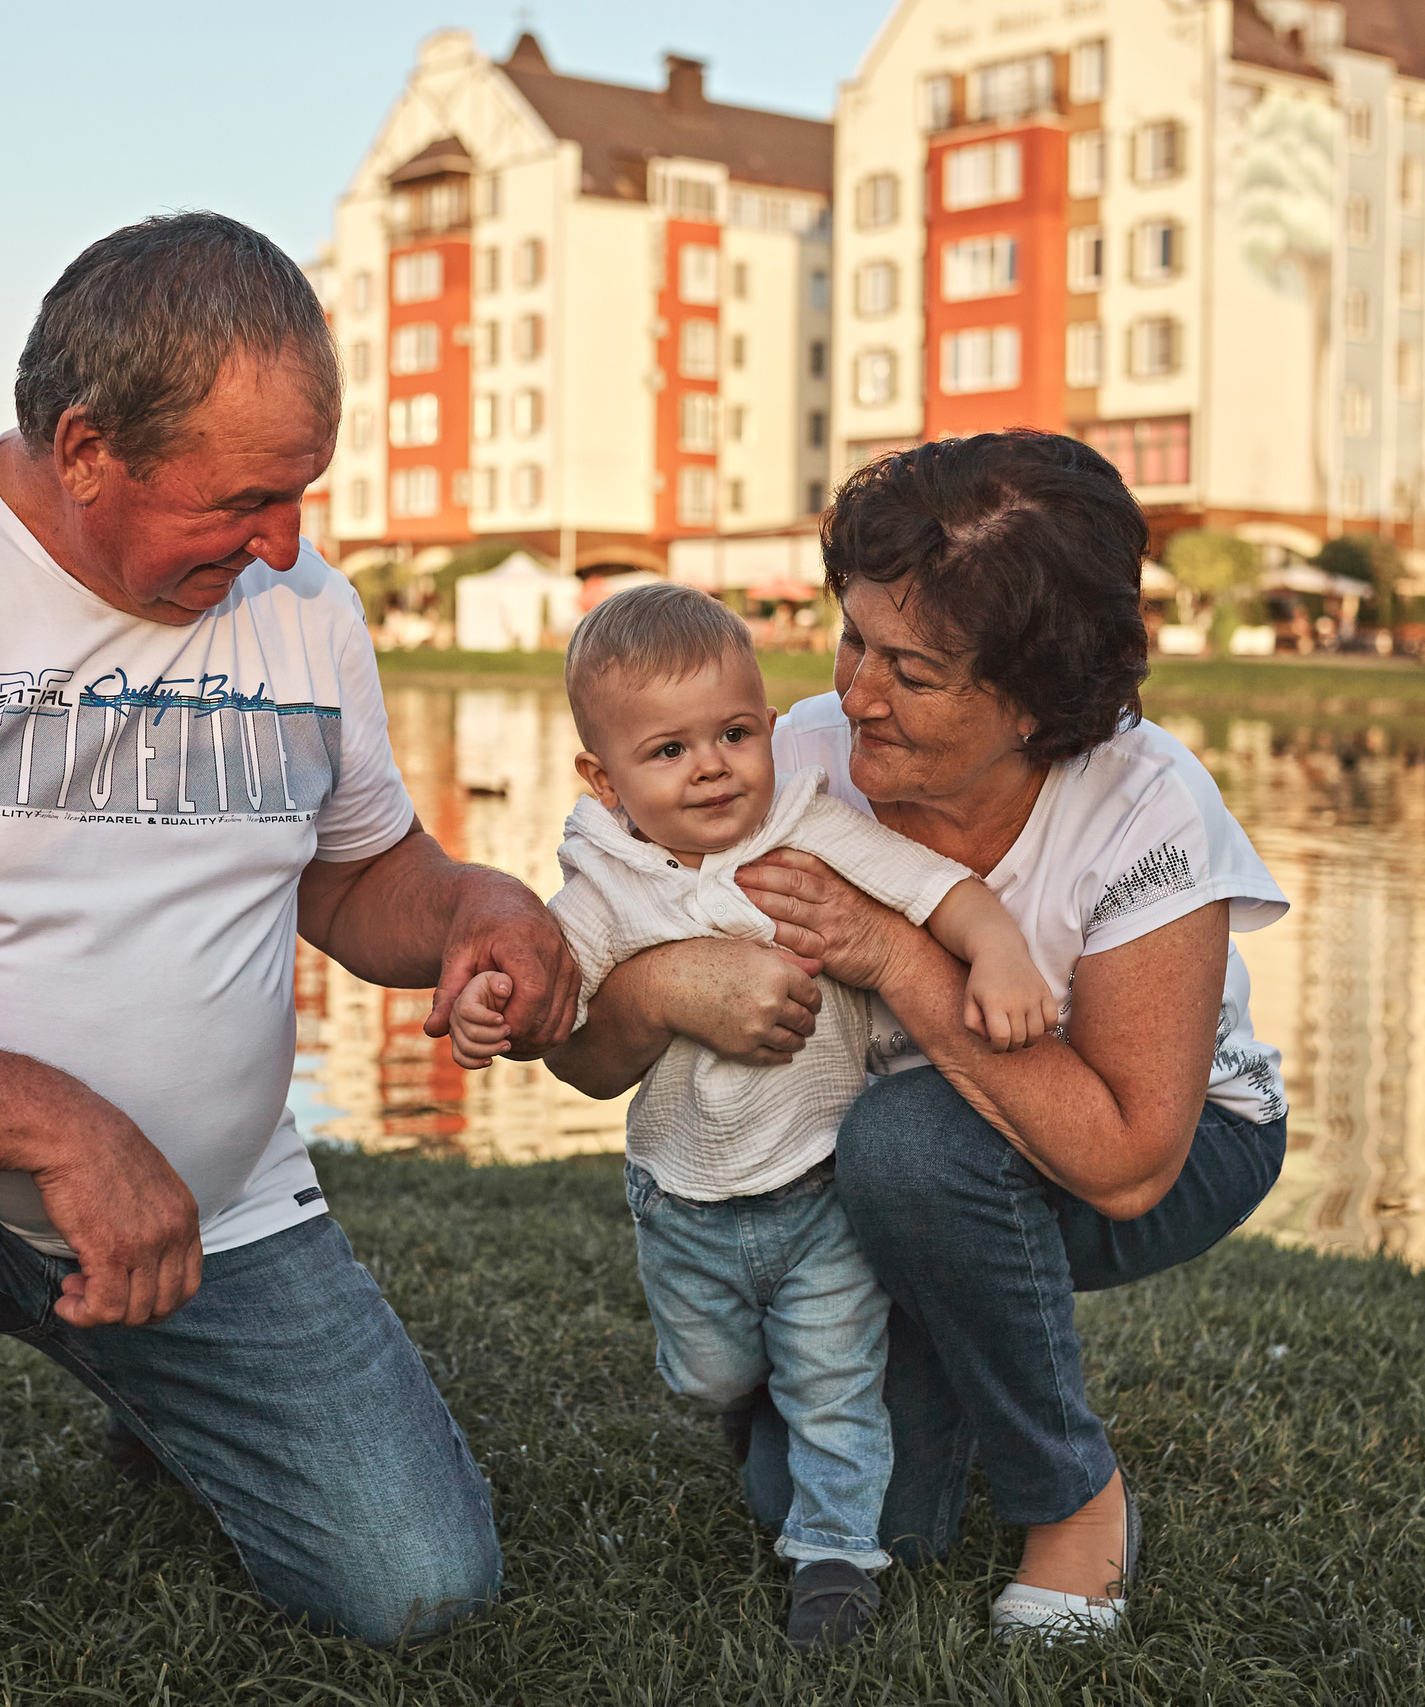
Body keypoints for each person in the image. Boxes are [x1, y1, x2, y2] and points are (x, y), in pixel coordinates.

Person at [0, 212, 577, 1696]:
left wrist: (474, 909)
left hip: (210, 1206)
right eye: (246, 499)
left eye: (302, 493)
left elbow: (361, 873)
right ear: (83, 449)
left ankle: (162, 1388)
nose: (287, 544)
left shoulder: (302, 610)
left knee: (419, 1593)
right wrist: (62, 1126)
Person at [549, 431, 1290, 1644]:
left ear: (1036, 698)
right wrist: (670, 982)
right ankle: (883, 1335)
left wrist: (893, 951)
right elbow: (588, 1055)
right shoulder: (778, 762)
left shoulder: (1147, 806)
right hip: (876, 1166)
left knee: (907, 1147)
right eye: (852, 638)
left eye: (914, 669)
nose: (853, 695)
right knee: (857, 1518)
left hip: (1166, 1139)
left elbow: (1126, 1160)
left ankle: (1074, 1495)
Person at [446, 582, 1049, 1650]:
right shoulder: (600, 885)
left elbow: (936, 890)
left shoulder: (805, 832)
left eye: (732, 733)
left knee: (833, 1386)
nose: (712, 766)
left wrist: (996, 949)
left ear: (769, 730)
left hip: (823, 1188)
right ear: (605, 778)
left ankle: (833, 1563)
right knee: (717, 1374)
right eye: (668, 751)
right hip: (684, 1200)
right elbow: (558, 1000)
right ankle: (749, 1408)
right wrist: (496, 1006)